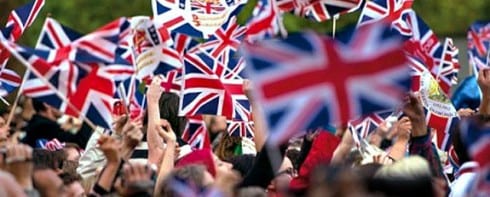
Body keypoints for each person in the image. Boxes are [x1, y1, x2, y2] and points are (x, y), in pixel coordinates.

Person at [22, 100, 91, 148]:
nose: (64, 106)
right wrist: (89, 115)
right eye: (61, 102)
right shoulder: (44, 127)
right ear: (47, 104)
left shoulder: (39, 124)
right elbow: (80, 142)